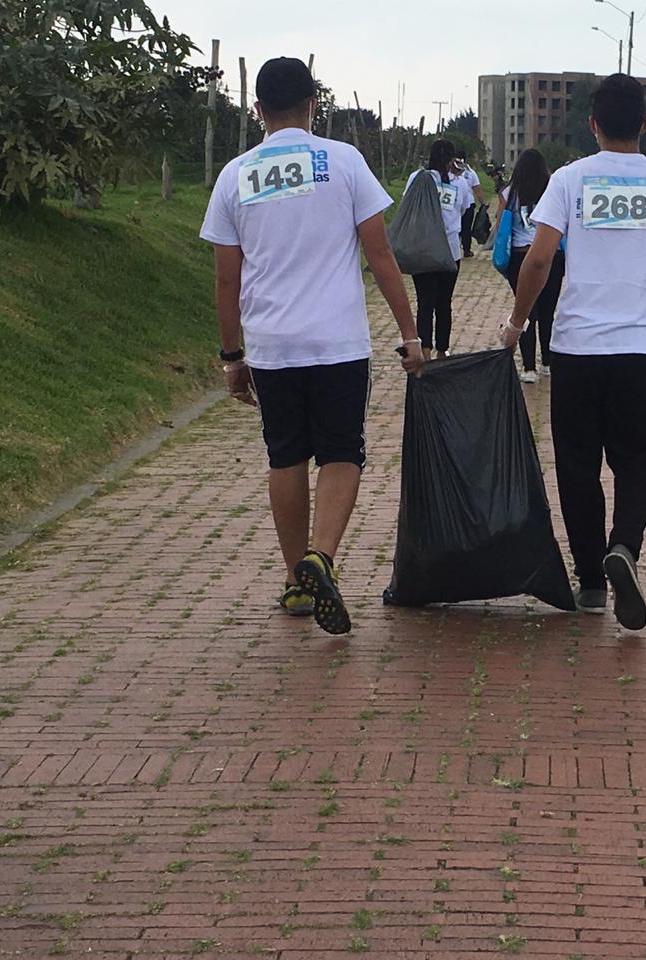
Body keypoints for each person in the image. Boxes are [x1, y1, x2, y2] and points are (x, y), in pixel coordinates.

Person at [200, 57, 425, 635]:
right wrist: (409, 334)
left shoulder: (234, 175)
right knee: (341, 453)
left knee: (286, 456)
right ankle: (321, 557)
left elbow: (228, 278)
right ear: (312, 104)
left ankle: (297, 584)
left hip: (272, 345)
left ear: (257, 112)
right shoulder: (344, 161)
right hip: (337, 341)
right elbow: (380, 255)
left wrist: (232, 356)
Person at [502, 73, 646, 630]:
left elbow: (537, 261)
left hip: (576, 350)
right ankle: (624, 546)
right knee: (639, 460)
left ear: (593, 124)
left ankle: (589, 583)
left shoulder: (569, 179)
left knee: (577, 467)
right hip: (639, 352)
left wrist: (517, 322)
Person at [491, 148, 565, 383]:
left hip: (520, 259)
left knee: (524, 311)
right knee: (547, 312)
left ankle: (529, 368)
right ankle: (548, 363)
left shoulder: (509, 193)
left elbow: (500, 223)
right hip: (552, 256)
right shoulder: (551, 190)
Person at [406, 139, 474, 359]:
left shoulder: (417, 178)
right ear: (452, 159)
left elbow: (408, 204)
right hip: (450, 251)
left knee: (424, 303)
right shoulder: (461, 183)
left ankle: (424, 350)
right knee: (444, 304)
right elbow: (464, 209)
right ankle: (442, 351)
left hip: (423, 250)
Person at [455, 147, 485, 258]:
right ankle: (466, 250)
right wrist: (483, 204)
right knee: (466, 228)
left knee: (458, 227)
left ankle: (457, 249)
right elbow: (477, 189)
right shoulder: (471, 172)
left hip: (456, 204)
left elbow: (477, 188)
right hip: (468, 204)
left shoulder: (450, 171)